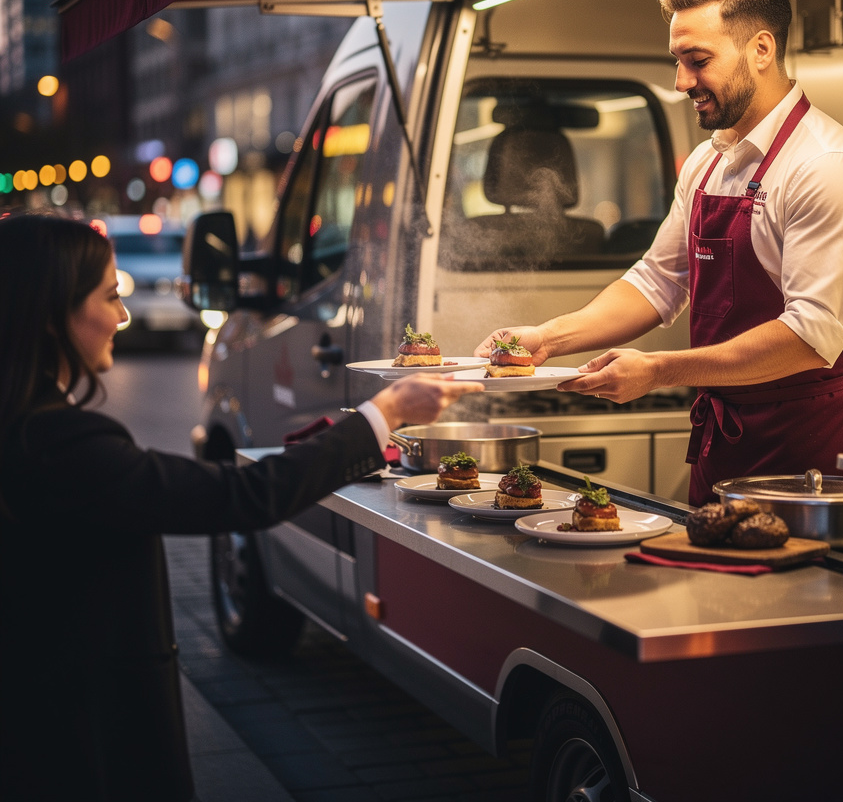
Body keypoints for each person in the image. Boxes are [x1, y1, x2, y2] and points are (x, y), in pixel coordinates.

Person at [0, 212, 483, 802]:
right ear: (52, 316)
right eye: (109, 297)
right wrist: (384, 414)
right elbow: (239, 497)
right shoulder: (59, 446)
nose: (123, 316)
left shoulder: (28, 432)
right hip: (77, 743)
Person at [477, 0, 843, 506]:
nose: (680, 82)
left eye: (698, 61)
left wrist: (660, 370)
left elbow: (809, 336)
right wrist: (545, 340)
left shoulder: (828, 166)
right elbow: (658, 280)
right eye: (677, 61)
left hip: (813, 447)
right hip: (726, 434)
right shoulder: (708, 161)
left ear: (761, 49)